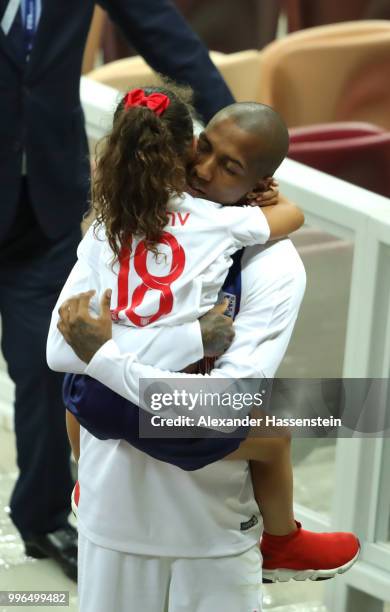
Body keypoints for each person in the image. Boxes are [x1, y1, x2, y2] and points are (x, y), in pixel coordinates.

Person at [48, 94, 358, 608]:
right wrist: (183, 343)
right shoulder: (121, 224)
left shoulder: (272, 267)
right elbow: (64, 344)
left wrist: (104, 365)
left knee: (85, 397)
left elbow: (218, 405)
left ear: (260, 183)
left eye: (230, 166)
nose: (204, 171)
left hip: (210, 535)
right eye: (204, 149)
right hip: (110, 516)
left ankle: (282, 542)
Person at [0, 0, 236, 582]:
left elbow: (166, 37)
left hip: (47, 204)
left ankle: (45, 515)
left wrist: (239, 138)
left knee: (45, 365)